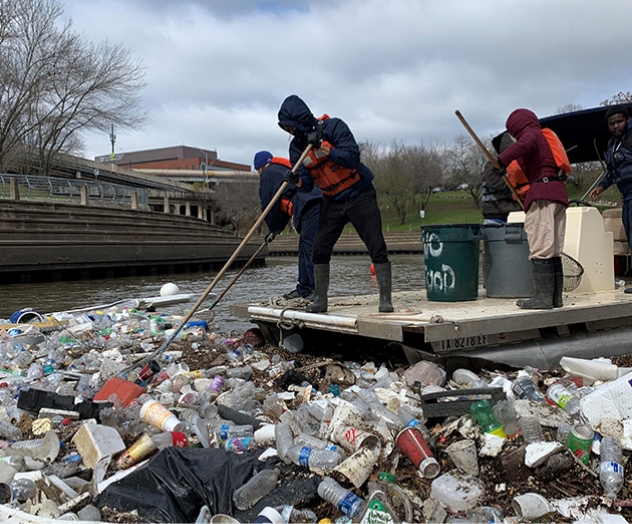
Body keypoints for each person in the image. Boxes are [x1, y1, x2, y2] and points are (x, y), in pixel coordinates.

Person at [277, 94, 393, 313]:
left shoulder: (334, 127)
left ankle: (385, 300)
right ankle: (320, 300)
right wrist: (297, 180)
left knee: (376, 246)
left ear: (299, 121)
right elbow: (308, 185)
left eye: (290, 127)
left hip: (360, 194)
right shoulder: (296, 149)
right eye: (286, 129)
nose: (290, 131)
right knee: (319, 250)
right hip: (332, 201)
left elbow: (352, 158)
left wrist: (323, 148)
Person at [497, 108, 569, 309]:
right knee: (553, 248)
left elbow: (525, 144)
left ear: (518, 126)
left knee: (540, 247)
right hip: (557, 194)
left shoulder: (531, 134)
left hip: (543, 194)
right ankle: (555, 298)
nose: (514, 136)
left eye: (513, 131)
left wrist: (501, 160)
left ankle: (543, 298)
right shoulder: (542, 136)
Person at [253, 150, 322, 300]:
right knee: (304, 246)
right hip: (311, 204)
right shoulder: (280, 171)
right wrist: (275, 230)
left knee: (309, 248)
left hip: (311, 205)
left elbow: (267, 203)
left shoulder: (267, 174)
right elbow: (281, 206)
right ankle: (305, 288)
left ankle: (317, 291)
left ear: (259, 168)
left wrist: (273, 227)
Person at [590, 105, 632, 293]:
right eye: (612, 123)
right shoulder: (611, 144)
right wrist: (601, 186)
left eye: (619, 121)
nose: (616, 126)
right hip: (626, 197)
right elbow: (612, 172)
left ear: (627, 120)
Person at [482, 132, 523, 225]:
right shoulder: (492, 164)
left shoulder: (521, 164)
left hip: (515, 215)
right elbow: (497, 183)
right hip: (495, 215)